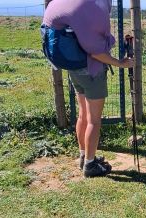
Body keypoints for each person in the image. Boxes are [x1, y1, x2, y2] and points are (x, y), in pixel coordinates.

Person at [43, 0, 134, 177]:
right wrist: (120, 63)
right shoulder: (94, 9)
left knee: (83, 114)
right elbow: (96, 52)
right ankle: (90, 166)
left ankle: (84, 156)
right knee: (94, 120)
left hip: (73, 68)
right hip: (91, 71)